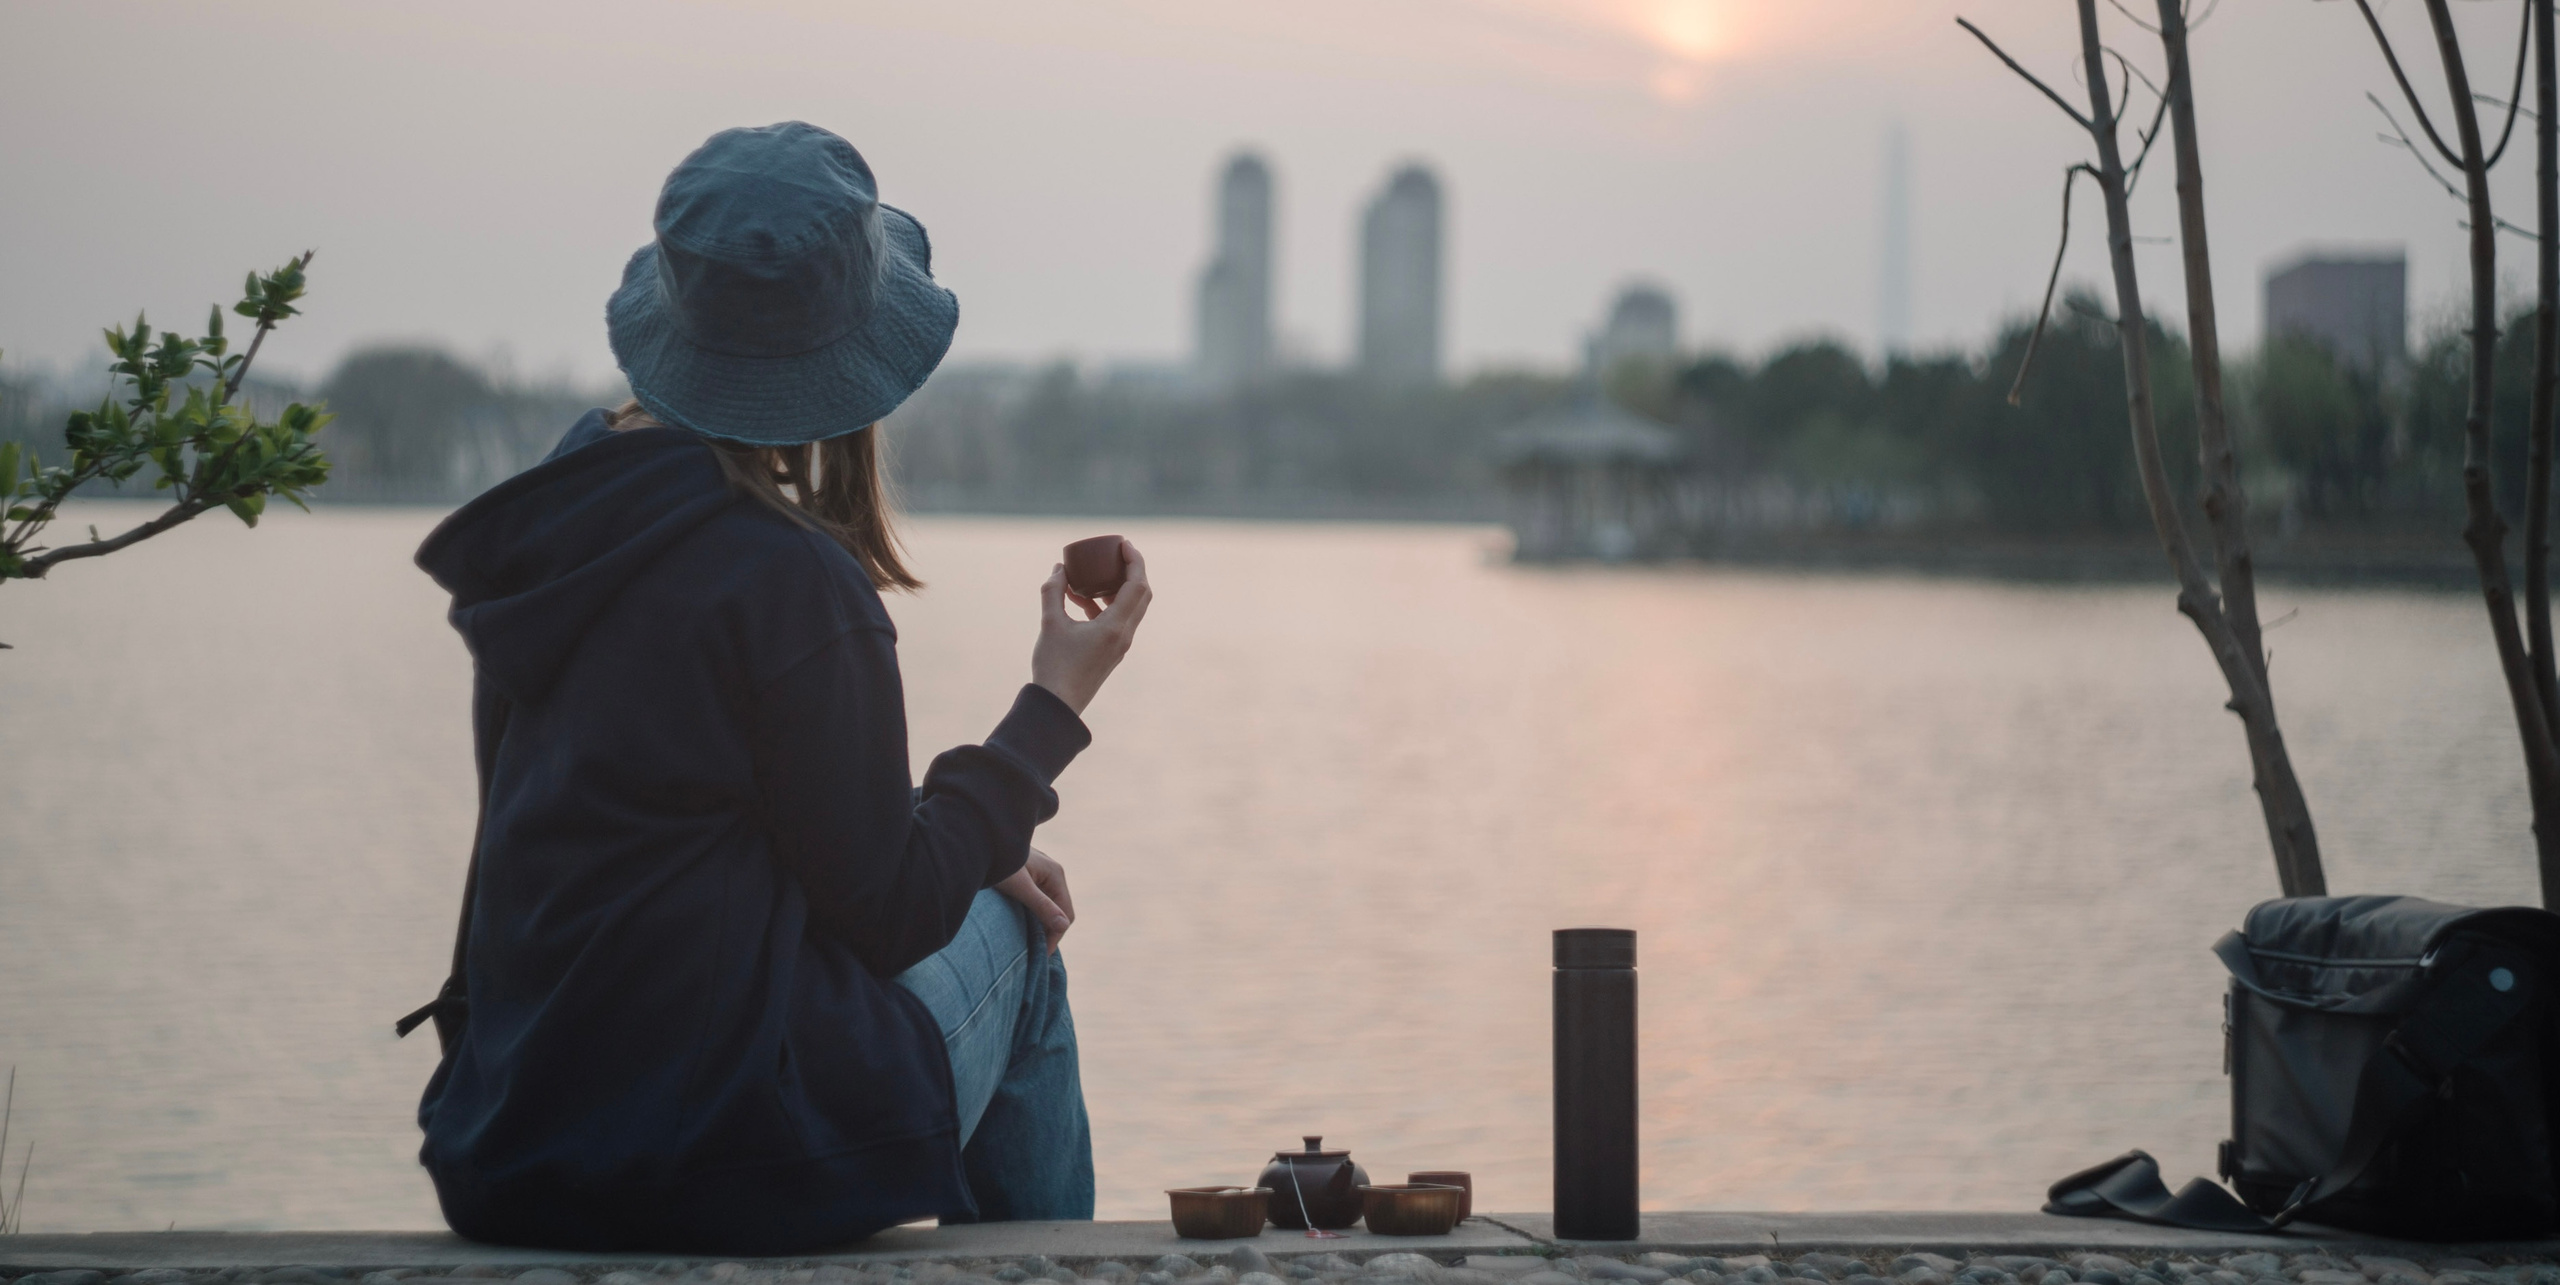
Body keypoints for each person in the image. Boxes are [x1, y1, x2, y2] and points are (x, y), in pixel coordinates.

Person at [404, 121, 1150, 1254]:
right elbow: (886, 916)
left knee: (989, 884)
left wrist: (960, 832)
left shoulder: (560, 527)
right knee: (1018, 939)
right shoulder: (791, 581)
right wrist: (1050, 706)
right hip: (721, 1158)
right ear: (853, 362)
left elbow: (675, 821)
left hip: (511, 1150)